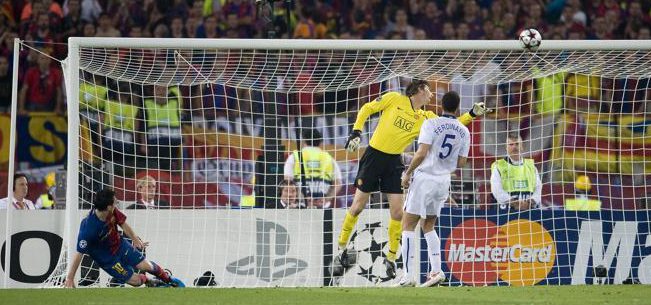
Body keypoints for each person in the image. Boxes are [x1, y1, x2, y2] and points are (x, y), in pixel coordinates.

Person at [335, 79, 489, 278]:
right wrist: (356, 131)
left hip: (394, 162)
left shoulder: (426, 117)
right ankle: (341, 248)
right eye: (428, 90)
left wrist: (472, 115)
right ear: (418, 90)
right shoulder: (393, 99)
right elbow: (366, 108)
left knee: (398, 213)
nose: (432, 95)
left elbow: (451, 125)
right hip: (373, 157)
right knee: (357, 206)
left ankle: (390, 258)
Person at [398, 91, 470, 287]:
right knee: (429, 225)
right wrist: (444, 165)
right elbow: (462, 162)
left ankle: (407, 275)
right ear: (457, 108)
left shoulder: (431, 124)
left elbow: (421, 153)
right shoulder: (464, 131)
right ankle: (436, 272)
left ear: (441, 104)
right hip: (443, 181)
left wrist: (408, 173)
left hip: (424, 178)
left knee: (408, 224)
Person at [64, 188, 184, 288]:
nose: (117, 202)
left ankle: (168, 279)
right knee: (136, 282)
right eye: (115, 201)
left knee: (145, 266)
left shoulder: (112, 211)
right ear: (108, 207)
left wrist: (135, 239)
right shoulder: (88, 229)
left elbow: (123, 223)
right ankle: (150, 282)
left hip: (120, 246)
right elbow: (79, 254)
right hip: (108, 260)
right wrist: (70, 278)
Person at [283, 129, 342, 209]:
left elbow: (288, 181)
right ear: (320, 142)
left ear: (304, 141)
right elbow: (338, 184)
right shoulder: (329, 158)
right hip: (322, 206)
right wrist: (326, 199)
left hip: (301, 205)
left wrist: (303, 198)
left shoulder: (294, 156)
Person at [490, 133, 542, 211]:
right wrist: (516, 204)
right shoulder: (498, 166)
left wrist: (530, 203)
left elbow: (538, 188)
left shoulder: (532, 166)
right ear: (506, 147)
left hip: (530, 210)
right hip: (506, 212)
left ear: (522, 146)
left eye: (517, 144)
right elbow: (496, 190)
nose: (514, 147)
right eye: (511, 144)